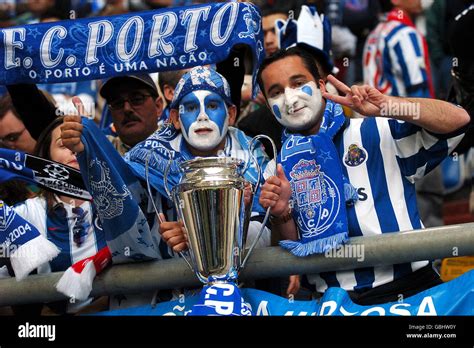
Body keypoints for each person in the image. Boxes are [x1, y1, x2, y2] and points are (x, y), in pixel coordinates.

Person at [257, 46, 470, 305]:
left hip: (413, 294)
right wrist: (282, 214)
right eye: (276, 92)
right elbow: (291, 252)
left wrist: (390, 106)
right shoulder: (275, 169)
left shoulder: (378, 129)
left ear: (322, 85)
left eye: (298, 83)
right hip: (332, 303)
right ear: (269, 106)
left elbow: (458, 120)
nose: (290, 98)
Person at [12, 117, 107, 314]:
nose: (73, 148)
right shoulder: (28, 213)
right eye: (63, 144)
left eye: (81, 142)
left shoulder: (116, 202)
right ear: (47, 157)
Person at [99, 74, 164, 156]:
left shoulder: (180, 147)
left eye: (137, 99)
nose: (127, 109)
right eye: (117, 103)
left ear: (158, 106)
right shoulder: (99, 154)